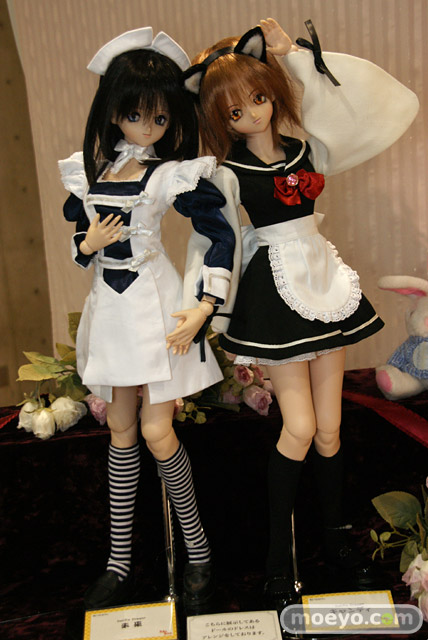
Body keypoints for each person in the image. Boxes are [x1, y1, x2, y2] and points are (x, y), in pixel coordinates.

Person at [183, 18, 419, 610]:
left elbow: (358, 113)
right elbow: (213, 242)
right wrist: (205, 306)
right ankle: (278, 560)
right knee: (301, 427)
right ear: (221, 119)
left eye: (259, 98)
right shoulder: (227, 173)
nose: (253, 114)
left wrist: (296, 59)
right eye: (236, 111)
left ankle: (336, 544)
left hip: (323, 278)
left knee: (331, 427)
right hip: (274, 289)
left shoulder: (308, 149)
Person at [59, 26, 235, 612]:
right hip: (111, 310)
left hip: (158, 311)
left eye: (159, 119)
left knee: (159, 432)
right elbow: (79, 238)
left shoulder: (167, 176)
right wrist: (87, 245)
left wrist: (205, 306)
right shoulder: (90, 174)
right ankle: (119, 563)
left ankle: (199, 553)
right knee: (120, 428)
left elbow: (219, 234)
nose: (147, 128)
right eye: (136, 116)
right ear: (113, 113)